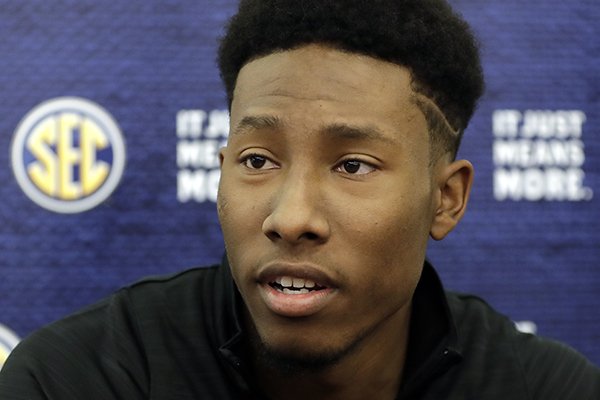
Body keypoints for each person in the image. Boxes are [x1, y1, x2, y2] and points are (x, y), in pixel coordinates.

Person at [1, 0, 598, 398]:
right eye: (257, 161)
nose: (290, 218)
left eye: (353, 165)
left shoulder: (545, 389)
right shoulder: (80, 380)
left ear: (445, 199)